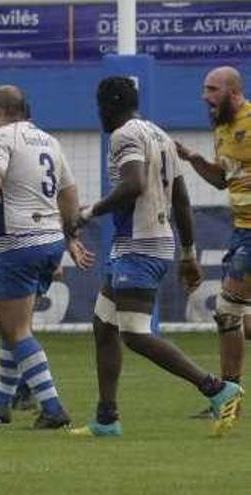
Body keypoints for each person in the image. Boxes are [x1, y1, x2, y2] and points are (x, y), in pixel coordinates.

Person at [69, 76, 244, 437]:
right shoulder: (159, 135)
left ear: (107, 106)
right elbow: (181, 198)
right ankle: (106, 418)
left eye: (99, 108)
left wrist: (89, 212)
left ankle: (216, 388)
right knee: (104, 326)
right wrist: (188, 252)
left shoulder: (123, 136)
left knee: (133, 334)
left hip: (140, 245)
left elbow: (134, 184)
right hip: (142, 243)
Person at [0, 86, 94, 429]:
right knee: (14, 326)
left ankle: (52, 408)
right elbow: (69, 193)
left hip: (17, 242)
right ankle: (1, 405)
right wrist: (70, 237)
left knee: (16, 329)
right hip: (49, 242)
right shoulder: (49, 140)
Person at [175, 66, 251, 419]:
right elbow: (222, 180)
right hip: (241, 230)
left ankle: (228, 397)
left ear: (234, 92)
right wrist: (193, 159)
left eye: (212, 89)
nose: (205, 96)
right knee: (236, 319)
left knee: (227, 311)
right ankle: (230, 395)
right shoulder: (221, 129)